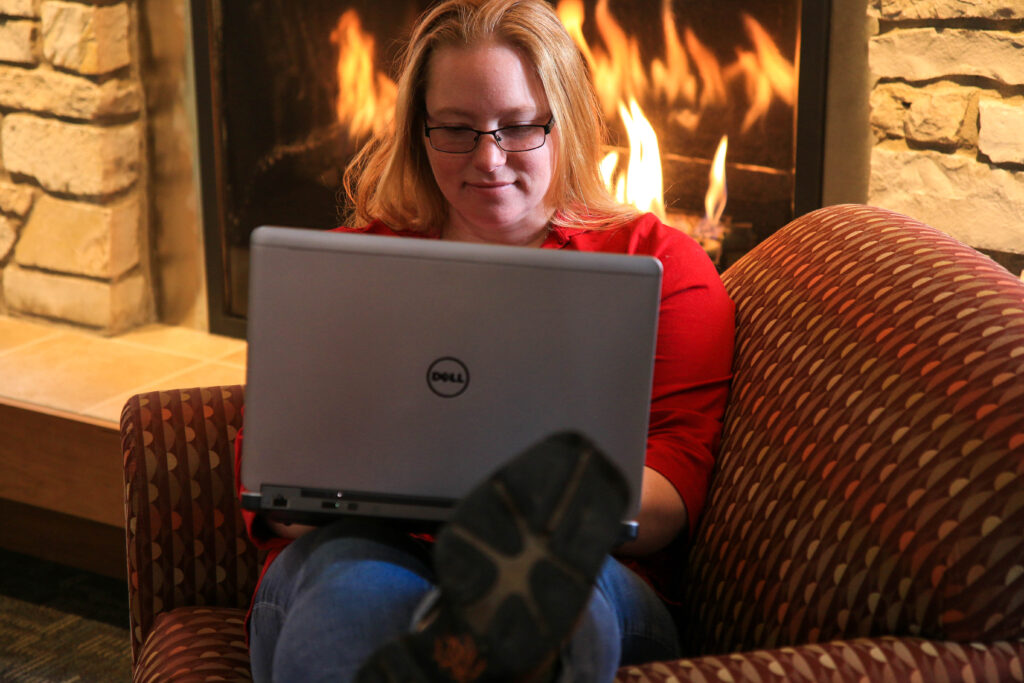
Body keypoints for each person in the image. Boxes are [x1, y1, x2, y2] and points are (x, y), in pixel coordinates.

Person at [236, 0, 735, 680]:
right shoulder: (349, 265)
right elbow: (273, 471)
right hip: (365, 549)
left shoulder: (660, 264)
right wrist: (311, 494)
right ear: (421, 130)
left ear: (566, 120)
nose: (489, 159)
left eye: (519, 127)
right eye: (457, 129)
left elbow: (672, 488)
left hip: (579, 566)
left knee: (541, 598)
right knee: (349, 600)